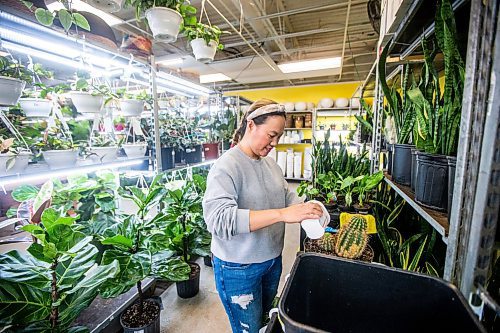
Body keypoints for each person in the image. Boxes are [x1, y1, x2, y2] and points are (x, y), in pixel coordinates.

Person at [202, 98, 323, 333]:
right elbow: (219, 220)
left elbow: (284, 197)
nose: (275, 143)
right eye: (271, 135)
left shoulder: (270, 165)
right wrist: (281, 214)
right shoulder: (226, 166)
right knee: (248, 329)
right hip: (238, 268)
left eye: (278, 137)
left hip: (271, 262)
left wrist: (306, 208)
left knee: (264, 325)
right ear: (251, 126)